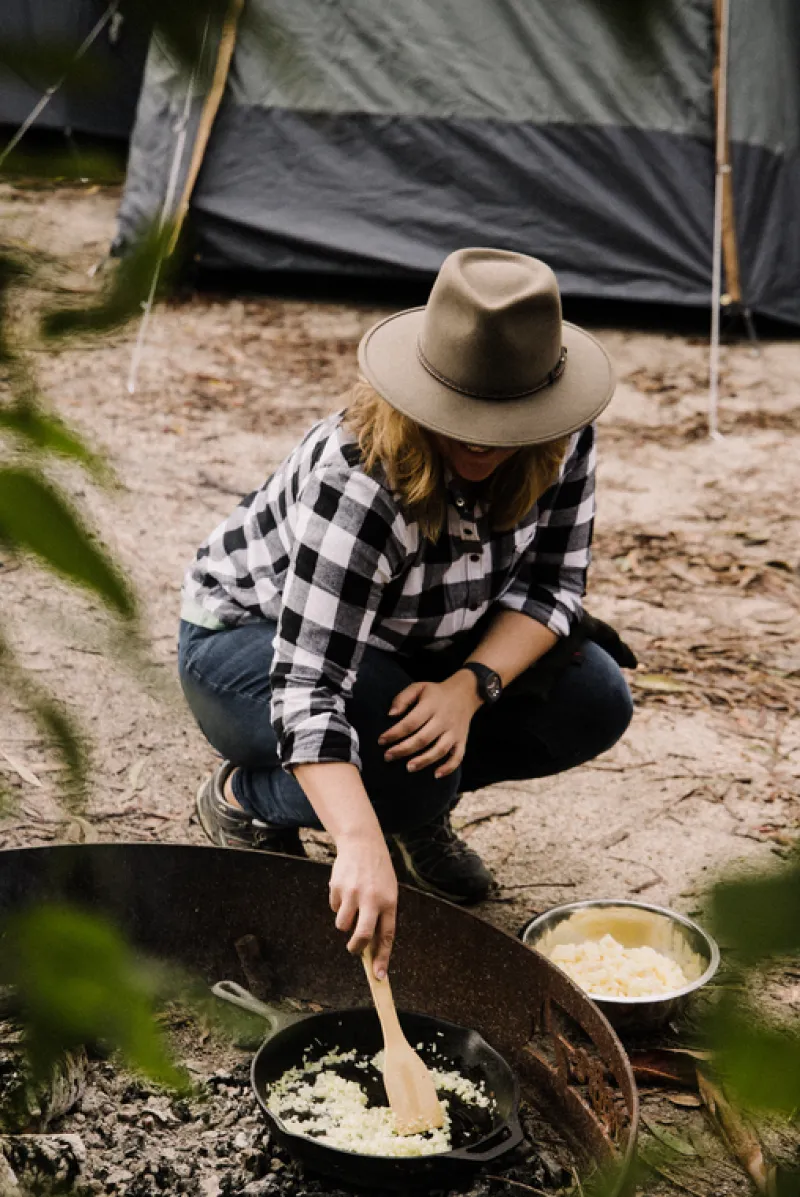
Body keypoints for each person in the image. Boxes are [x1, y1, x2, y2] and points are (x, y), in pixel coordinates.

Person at [178, 247, 634, 981]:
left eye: (507, 415)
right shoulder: (361, 472)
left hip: (416, 646)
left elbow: (553, 589)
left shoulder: (562, 436)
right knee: (399, 770)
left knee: (594, 699)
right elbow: (307, 683)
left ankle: (417, 807)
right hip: (246, 643)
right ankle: (244, 796)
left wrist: (468, 689)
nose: (484, 439)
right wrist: (357, 839)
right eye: (466, 414)